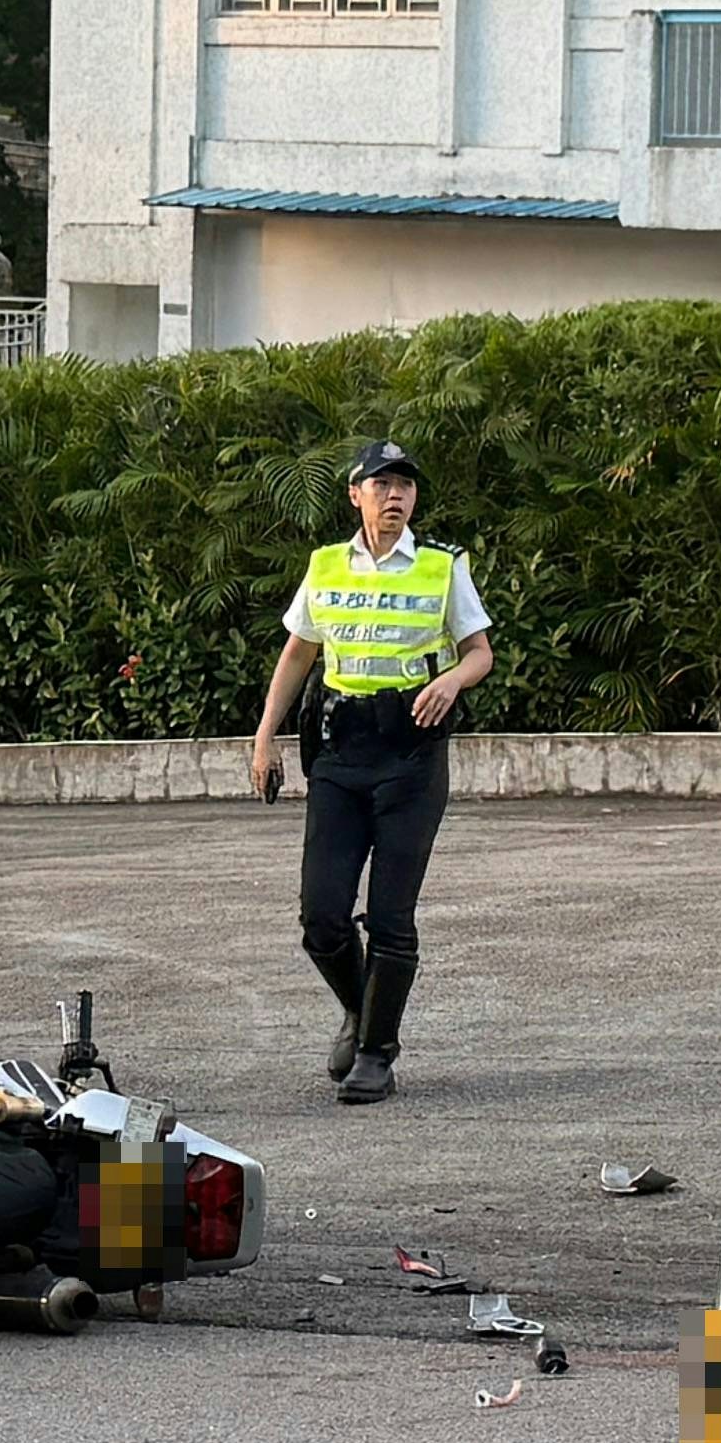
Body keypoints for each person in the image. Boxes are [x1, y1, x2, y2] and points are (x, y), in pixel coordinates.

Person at [245, 439, 491, 1104]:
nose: (396, 495)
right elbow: (299, 653)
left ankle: (377, 1053)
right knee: (321, 917)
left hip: (411, 753)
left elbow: (479, 651)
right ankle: (362, 1012)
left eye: (405, 485)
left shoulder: (442, 567)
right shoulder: (326, 566)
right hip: (339, 751)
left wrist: (453, 682)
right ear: (355, 495)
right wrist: (265, 736)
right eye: (381, 484)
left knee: (390, 915)